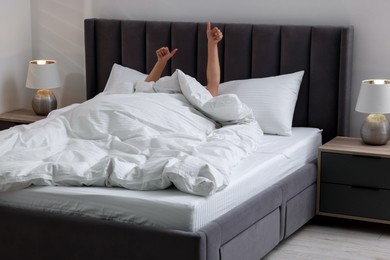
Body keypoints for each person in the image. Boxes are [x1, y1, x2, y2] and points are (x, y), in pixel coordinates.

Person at [145, 22, 223, 96]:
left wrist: (212, 44)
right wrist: (161, 62)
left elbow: (213, 85)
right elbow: (145, 89)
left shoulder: (199, 97)